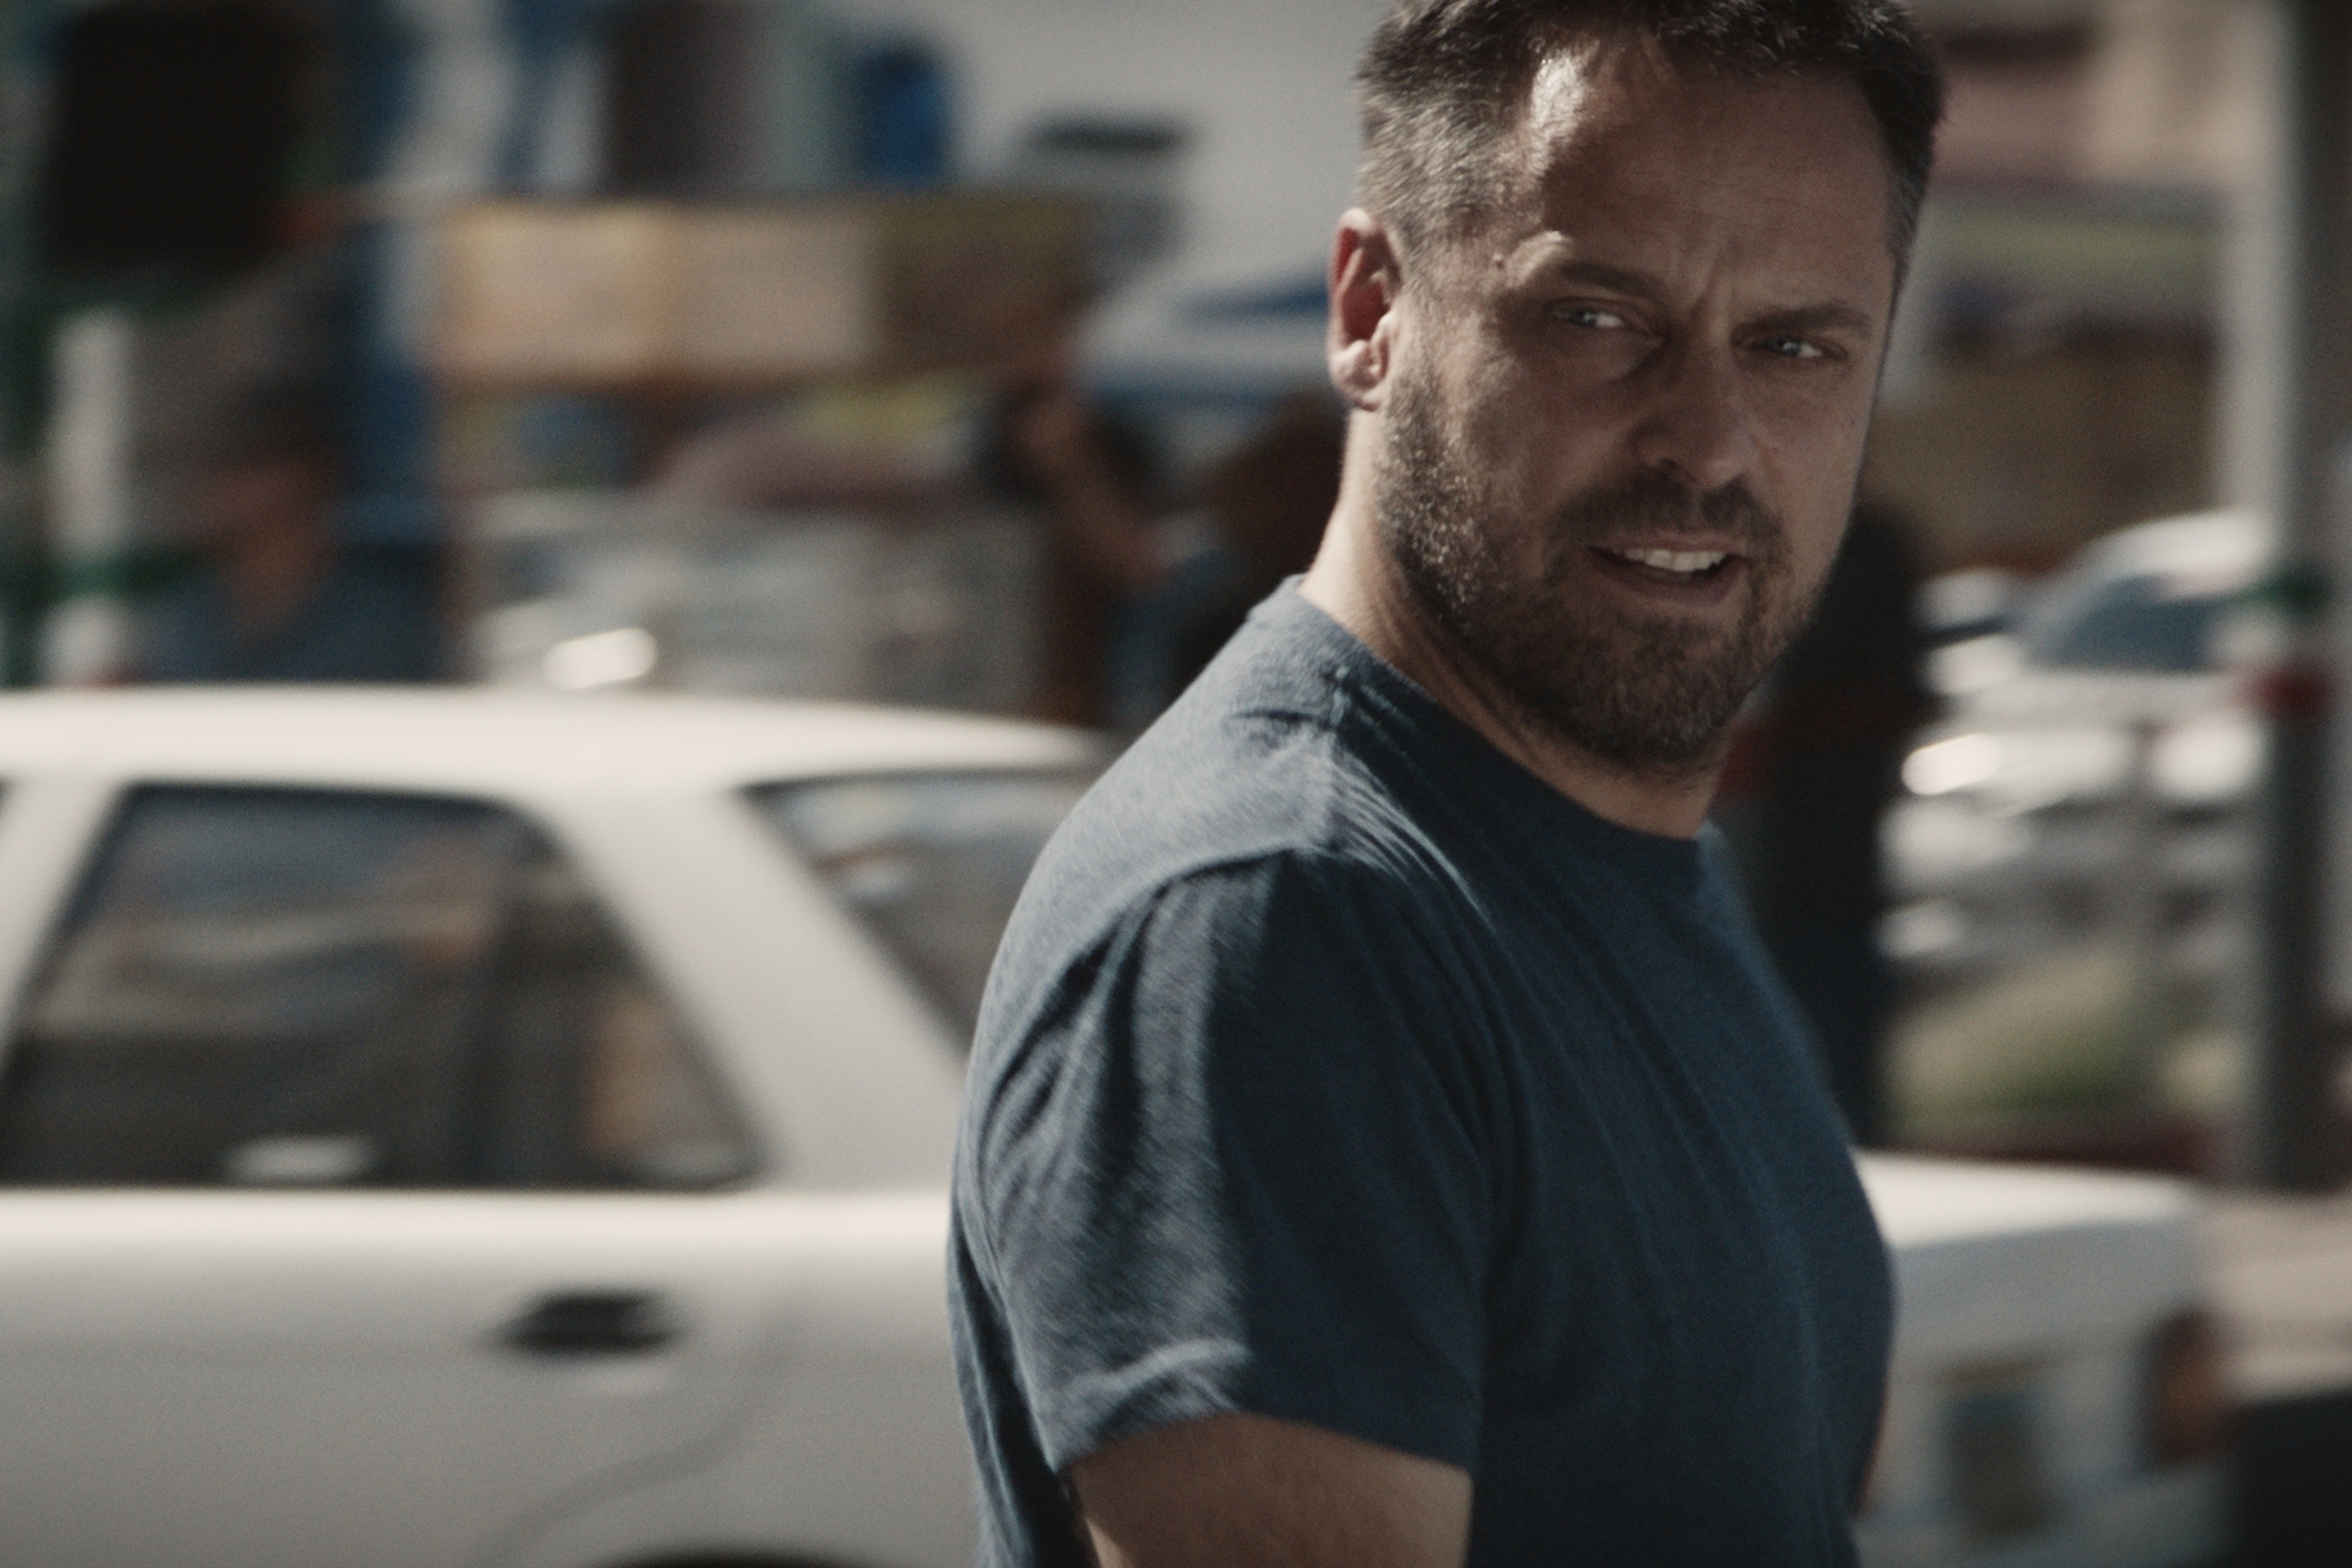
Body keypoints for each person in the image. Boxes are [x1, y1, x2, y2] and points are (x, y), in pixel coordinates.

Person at [952, 4, 1944, 1565]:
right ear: (1371, 305)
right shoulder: (1286, 923)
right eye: (1596, 320)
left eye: (1794, 346)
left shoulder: (1616, 860)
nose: (1707, 438)